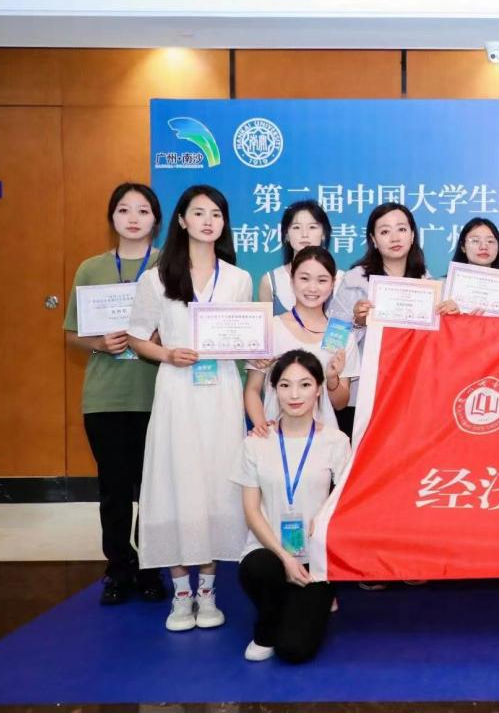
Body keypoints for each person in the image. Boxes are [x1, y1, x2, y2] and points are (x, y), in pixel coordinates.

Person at [126, 184, 252, 632]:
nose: (207, 221)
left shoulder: (238, 279)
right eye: (198, 213)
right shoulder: (156, 278)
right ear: (181, 220)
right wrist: (167, 353)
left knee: (217, 483)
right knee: (175, 483)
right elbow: (137, 336)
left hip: (221, 392)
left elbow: (245, 338)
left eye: (216, 214)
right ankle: (181, 594)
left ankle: (209, 592)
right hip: (177, 391)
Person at [62, 182, 167, 605]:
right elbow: (71, 333)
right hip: (105, 398)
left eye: (143, 210)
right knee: (114, 490)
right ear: (112, 218)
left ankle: (151, 568)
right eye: (124, 210)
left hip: (158, 396)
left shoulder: (168, 266)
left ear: (156, 220)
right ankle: (119, 570)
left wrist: (160, 338)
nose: (133, 218)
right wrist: (99, 343)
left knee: (155, 489)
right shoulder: (91, 269)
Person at [234, 349, 349, 663]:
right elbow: (251, 511)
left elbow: (345, 500)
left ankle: (312, 599)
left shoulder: (336, 441)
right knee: (259, 567)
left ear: (318, 389)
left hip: (316, 558)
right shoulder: (256, 442)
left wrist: (323, 518)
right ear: (274, 389)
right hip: (269, 552)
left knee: (294, 650)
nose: (294, 395)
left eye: (305, 384)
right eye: (285, 385)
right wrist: (285, 558)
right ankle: (266, 626)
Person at [327, 202, 428, 433]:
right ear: (373, 240)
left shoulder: (426, 283)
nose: (395, 237)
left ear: (412, 235)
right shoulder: (354, 281)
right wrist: (357, 323)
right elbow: (333, 341)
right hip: (363, 396)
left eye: (401, 229)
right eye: (384, 231)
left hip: (410, 394)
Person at [244, 247, 352, 437]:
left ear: (333, 284)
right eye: (304, 278)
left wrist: (332, 379)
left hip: (324, 442)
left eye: (322, 280)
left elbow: (340, 403)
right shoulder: (270, 327)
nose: (312, 288)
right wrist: (262, 426)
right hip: (275, 439)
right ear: (292, 281)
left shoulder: (341, 334)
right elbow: (252, 389)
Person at [257, 200, 341, 314]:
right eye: (296, 227)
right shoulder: (270, 281)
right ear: (286, 235)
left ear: (324, 234)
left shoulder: (342, 280)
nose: (304, 234)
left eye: (312, 227)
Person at [436, 217, 499, 316]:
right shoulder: (443, 286)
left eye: (490, 241)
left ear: (498, 247)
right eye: (475, 241)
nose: (483, 247)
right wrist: (449, 314)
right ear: (463, 247)